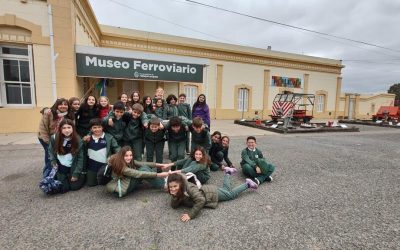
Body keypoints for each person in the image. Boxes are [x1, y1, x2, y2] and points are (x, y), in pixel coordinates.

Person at [167, 169, 258, 222]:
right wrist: (174, 196)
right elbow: (174, 206)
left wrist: (191, 215)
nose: (173, 189)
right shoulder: (177, 191)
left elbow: (201, 200)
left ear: (180, 184)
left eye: (175, 186)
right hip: (207, 190)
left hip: (211, 194)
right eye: (171, 187)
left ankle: (248, 184)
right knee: (226, 189)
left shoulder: (189, 188)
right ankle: (228, 172)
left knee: (230, 195)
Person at [38, 98, 75, 176]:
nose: (63, 106)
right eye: (61, 104)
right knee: (49, 154)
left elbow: (72, 127)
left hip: (59, 138)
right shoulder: (49, 113)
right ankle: (47, 174)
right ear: (56, 105)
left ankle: (57, 171)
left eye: (65, 104)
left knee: (57, 154)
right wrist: (49, 142)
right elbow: (43, 128)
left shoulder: (70, 114)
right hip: (46, 137)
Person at [48, 119, 85, 193]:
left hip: (72, 166)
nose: (67, 130)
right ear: (60, 129)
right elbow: (50, 151)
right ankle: (62, 177)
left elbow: (80, 158)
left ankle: (79, 176)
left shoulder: (78, 139)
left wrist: (76, 173)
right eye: (64, 128)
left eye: (69, 127)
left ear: (73, 128)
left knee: (74, 187)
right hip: (61, 166)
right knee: (63, 189)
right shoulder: (54, 138)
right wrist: (53, 161)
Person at [85, 118, 120, 187]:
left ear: (102, 127)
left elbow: (116, 147)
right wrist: (84, 141)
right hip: (91, 166)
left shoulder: (109, 137)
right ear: (91, 129)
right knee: (91, 184)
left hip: (104, 165)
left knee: (105, 183)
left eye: (99, 127)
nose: (97, 129)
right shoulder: (87, 138)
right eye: (94, 127)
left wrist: (116, 156)